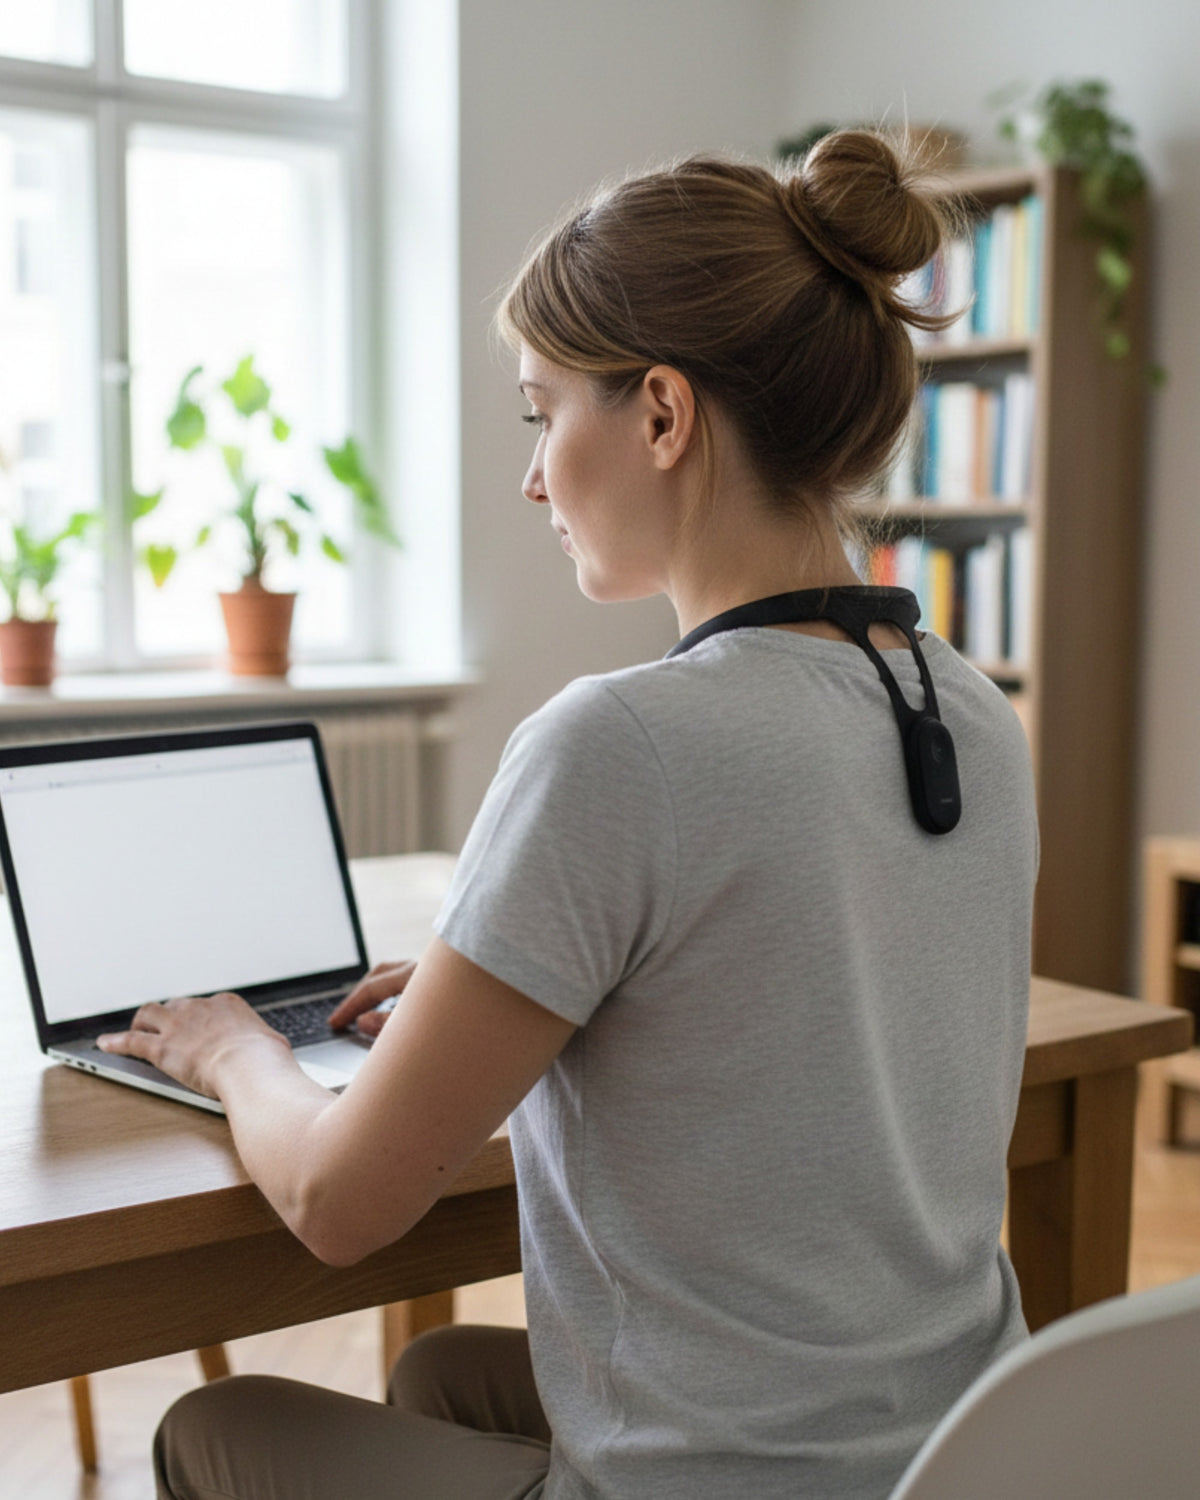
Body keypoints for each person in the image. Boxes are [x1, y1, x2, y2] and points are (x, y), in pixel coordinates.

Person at [100, 128, 1038, 1500]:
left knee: (217, 1426)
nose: (536, 475)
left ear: (661, 415)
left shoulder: (621, 746)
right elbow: (780, 977)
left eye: (545, 413)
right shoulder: (969, 708)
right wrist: (554, 972)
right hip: (946, 1453)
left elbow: (338, 1205)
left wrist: (233, 1048)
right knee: (441, 1380)